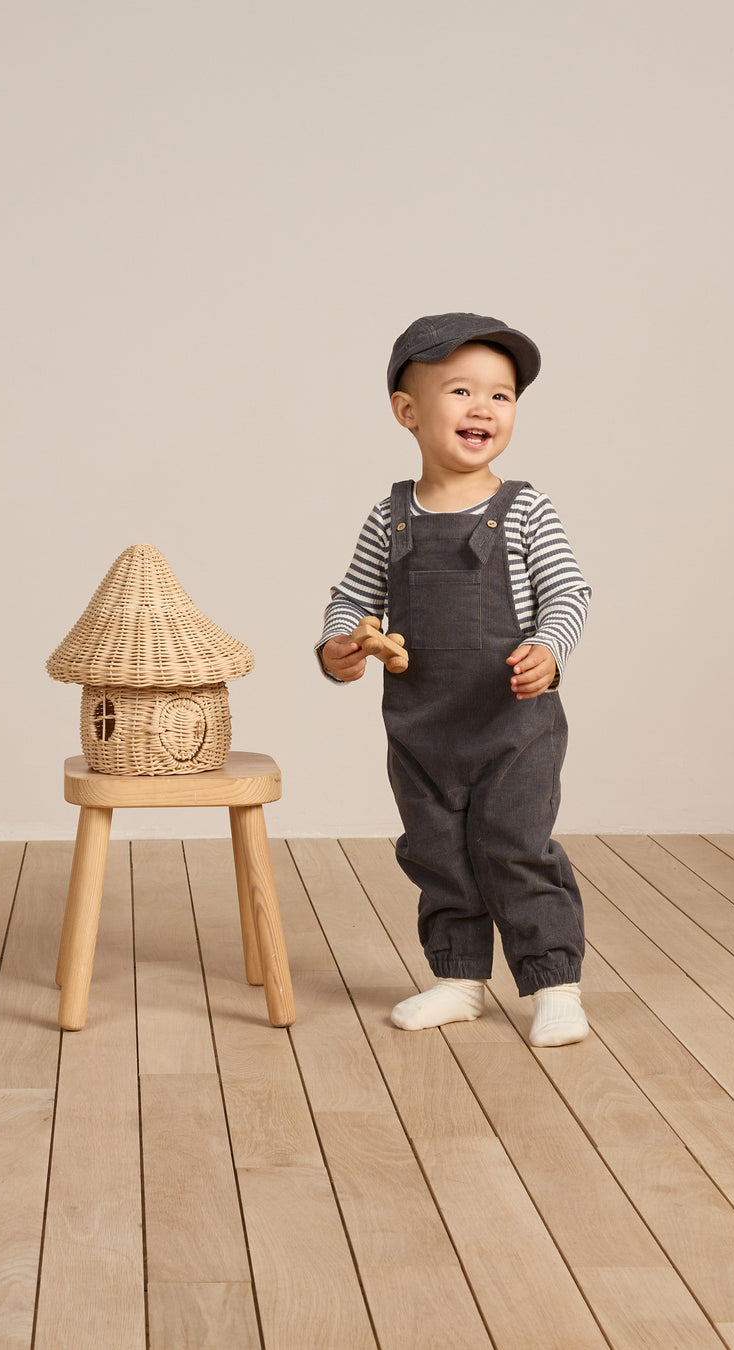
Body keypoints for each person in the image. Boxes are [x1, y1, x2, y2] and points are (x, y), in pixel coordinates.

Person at [317, 313, 592, 1047]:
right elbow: (351, 600)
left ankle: (553, 983)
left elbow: (570, 593)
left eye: (501, 396)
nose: (483, 409)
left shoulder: (525, 509)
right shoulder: (390, 519)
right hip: (422, 729)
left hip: (513, 728)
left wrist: (548, 649)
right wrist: (339, 644)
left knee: (514, 846)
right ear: (407, 411)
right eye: (462, 390)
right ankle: (459, 978)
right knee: (435, 849)